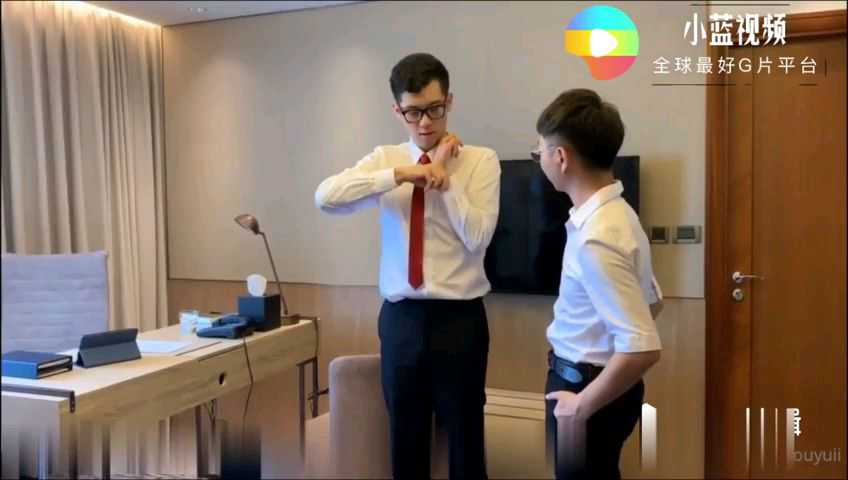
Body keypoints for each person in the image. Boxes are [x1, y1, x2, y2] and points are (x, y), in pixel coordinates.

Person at [315, 52, 501, 479]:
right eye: (413, 112)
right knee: (406, 442)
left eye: (435, 109)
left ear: (449, 101)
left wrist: (441, 175)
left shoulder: (481, 160)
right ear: (397, 111)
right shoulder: (387, 158)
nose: (425, 123)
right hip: (401, 320)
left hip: (460, 320)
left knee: (465, 445)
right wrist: (398, 175)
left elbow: (478, 237)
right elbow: (325, 197)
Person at [533, 88, 663, 479]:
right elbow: (651, 301)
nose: (540, 160)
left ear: (561, 157)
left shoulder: (598, 236)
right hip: (599, 384)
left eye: (539, 152)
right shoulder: (617, 214)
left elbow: (643, 348)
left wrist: (580, 406)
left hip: (587, 389)